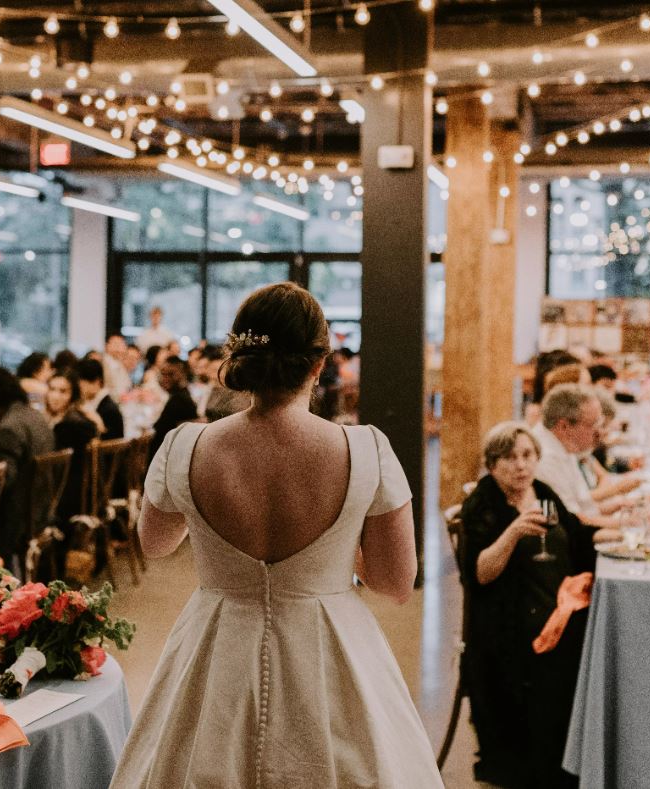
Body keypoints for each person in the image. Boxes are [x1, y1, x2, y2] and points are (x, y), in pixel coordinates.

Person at [110, 283, 442, 787]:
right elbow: (396, 582)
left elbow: (155, 544)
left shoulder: (185, 445)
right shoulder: (366, 449)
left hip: (216, 640)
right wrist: (339, 549)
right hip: (331, 645)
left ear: (236, 356)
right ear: (317, 364)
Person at [460, 421, 596, 787]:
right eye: (509, 458)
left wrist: (618, 529)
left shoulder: (542, 491)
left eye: (527, 456)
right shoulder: (483, 503)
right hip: (508, 622)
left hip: (556, 606)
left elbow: (579, 538)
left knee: (600, 632)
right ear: (492, 464)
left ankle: (580, 756)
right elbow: (479, 573)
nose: (520, 466)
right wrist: (514, 531)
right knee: (574, 647)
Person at [0, 366, 55, 572]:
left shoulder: (10, 426)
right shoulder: (34, 416)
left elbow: (2, 481)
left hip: (21, 516)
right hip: (43, 503)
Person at [533, 385, 620, 529]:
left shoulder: (566, 445)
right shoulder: (546, 458)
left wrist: (621, 507)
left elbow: (583, 504)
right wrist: (627, 524)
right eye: (594, 424)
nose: (599, 432)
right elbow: (575, 520)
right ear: (564, 427)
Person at [44, 370, 98, 522]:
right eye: (52, 389)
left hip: (63, 499)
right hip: (77, 496)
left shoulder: (67, 427)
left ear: (72, 396)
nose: (55, 396)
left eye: (63, 391)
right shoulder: (79, 419)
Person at [149, 356, 199, 461]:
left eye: (171, 374)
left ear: (183, 375)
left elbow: (159, 431)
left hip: (168, 459)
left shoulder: (178, 400)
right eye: (163, 374)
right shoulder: (182, 396)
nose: (165, 379)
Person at [75, 358, 125, 440]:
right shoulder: (98, 403)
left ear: (97, 382)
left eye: (82, 384)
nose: (79, 388)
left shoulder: (107, 409)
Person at [202, 345, 248, 422]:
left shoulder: (234, 391)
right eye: (211, 370)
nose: (212, 374)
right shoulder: (211, 389)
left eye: (216, 370)